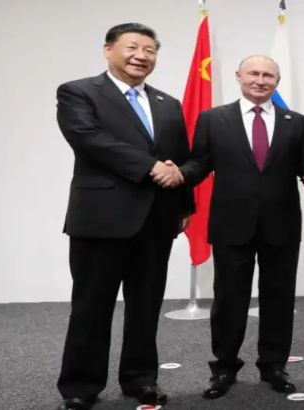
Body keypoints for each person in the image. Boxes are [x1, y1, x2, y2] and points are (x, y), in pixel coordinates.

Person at [55, 23, 192, 410]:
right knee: (91, 305)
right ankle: (81, 386)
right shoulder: (79, 92)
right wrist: (150, 167)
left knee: (146, 306)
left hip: (157, 219)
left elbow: (178, 156)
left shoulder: (167, 102)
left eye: (150, 50)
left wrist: (184, 205)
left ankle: (141, 379)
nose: (141, 56)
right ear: (108, 49)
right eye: (133, 47)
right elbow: (90, 139)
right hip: (101, 218)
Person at [179, 55, 304, 399]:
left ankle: (274, 365)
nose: (260, 80)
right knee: (229, 299)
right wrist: (178, 175)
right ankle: (224, 367)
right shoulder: (213, 119)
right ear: (239, 76)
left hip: (281, 223)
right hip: (231, 223)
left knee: (279, 297)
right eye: (253, 73)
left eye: (268, 75)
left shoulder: (297, 123)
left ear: (277, 81)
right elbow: (199, 163)